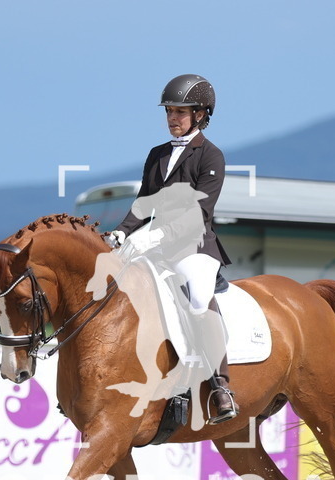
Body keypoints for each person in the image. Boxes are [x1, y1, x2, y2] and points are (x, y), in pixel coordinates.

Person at [107, 74, 236, 425]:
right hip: (157, 248)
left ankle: (220, 383)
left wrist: (155, 236)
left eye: (181, 112)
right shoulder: (158, 154)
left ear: (200, 114)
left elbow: (200, 213)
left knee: (197, 296)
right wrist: (121, 234)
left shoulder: (211, 155)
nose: (172, 119)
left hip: (195, 249)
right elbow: (143, 203)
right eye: (169, 112)